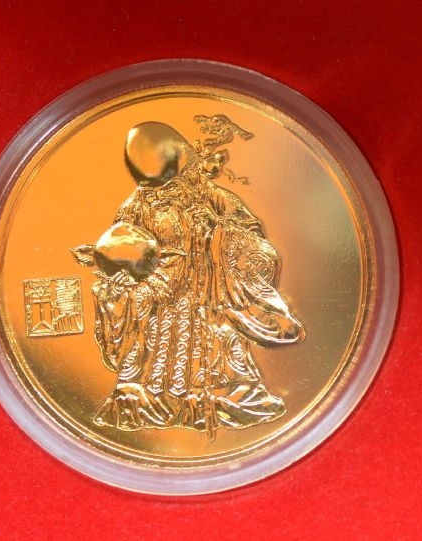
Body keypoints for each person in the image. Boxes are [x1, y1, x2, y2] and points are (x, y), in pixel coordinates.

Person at [73, 120, 304, 436]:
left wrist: (218, 234)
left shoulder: (215, 198)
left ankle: (218, 399)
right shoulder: (137, 205)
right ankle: (149, 400)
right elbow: (120, 241)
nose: (161, 194)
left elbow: (256, 243)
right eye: (152, 188)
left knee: (218, 360)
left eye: (170, 184)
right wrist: (121, 270)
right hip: (159, 302)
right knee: (148, 365)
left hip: (208, 296)